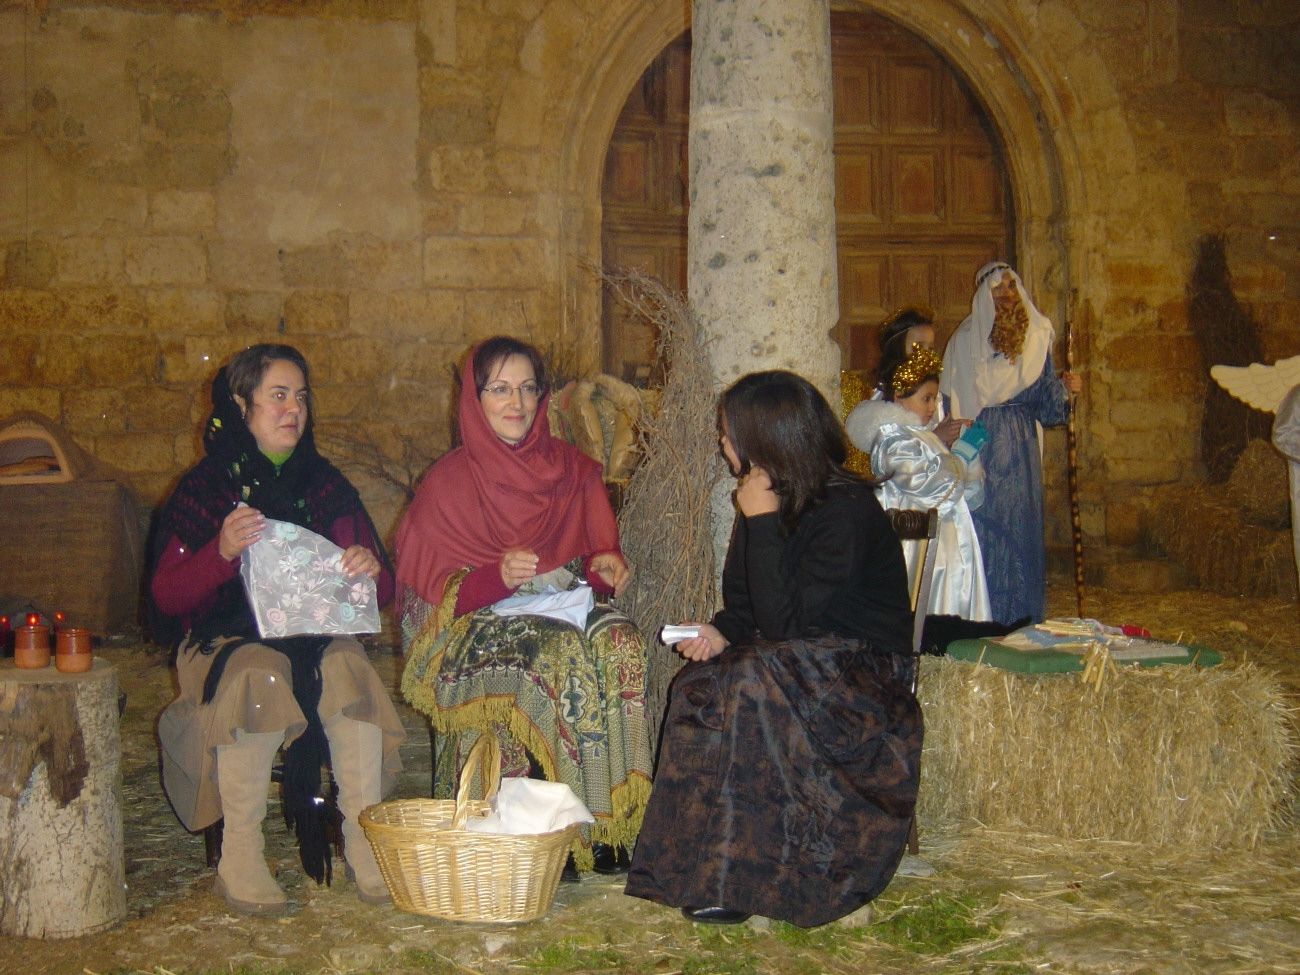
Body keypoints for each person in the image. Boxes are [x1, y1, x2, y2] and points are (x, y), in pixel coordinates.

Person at [625, 370, 921, 928]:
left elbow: (787, 623)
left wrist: (760, 523)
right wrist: (720, 632)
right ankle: (697, 868)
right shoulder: (763, 500)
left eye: (728, 433)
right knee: (700, 686)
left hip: (863, 679)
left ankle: (753, 877)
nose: (721, 443)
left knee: (751, 683)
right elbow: (749, 607)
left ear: (765, 441)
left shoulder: (846, 510)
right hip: (794, 662)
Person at [149, 344, 405, 915]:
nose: (294, 409)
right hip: (225, 641)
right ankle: (240, 855)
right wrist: (219, 550)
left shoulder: (322, 483)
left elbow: (383, 591)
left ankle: (363, 842)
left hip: (312, 639)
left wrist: (366, 569)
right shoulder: (208, 487)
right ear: (242, 406)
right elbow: (167, 595)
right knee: (258, 674)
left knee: (347, 669)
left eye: (302, 397)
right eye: (278, 396)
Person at [395, 336, 652, 873]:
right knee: (558, 655)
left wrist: (606, 570)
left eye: (528, 389)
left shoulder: (573, 471)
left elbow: (596, 561)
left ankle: (615, 824)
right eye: (500, 389)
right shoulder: (446, 485)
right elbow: (429, 598)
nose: (516, 403)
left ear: (542, 397)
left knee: (621, 641)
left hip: (560, 604)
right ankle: (561, 829)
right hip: (475, 628)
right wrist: (493, 577)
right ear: (474, 397)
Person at [940, 263, 1083, 625]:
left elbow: (1049, 408)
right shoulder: (963, 342)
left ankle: (1020, 618)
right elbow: (947, 399)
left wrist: (1066, 392)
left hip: (1019, 448)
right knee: (982, 527)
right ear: (983, 297)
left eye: (1010, 288)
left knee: (1017, 530)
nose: (1005, 296)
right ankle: (981, 620)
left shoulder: (1036, 338)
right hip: (976, 444)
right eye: (997, 290)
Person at [846, 341, 993, 622]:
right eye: (926, 399)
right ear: (900, 395)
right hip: (920, 545)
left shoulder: (920, 435)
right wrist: (961, 457)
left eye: (934, 399)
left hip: (948, 538)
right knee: (931, 600)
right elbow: (930, 486)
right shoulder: (892, 440)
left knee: (953, 592)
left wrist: (969, 458)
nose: (932, 407)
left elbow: (960, 491)